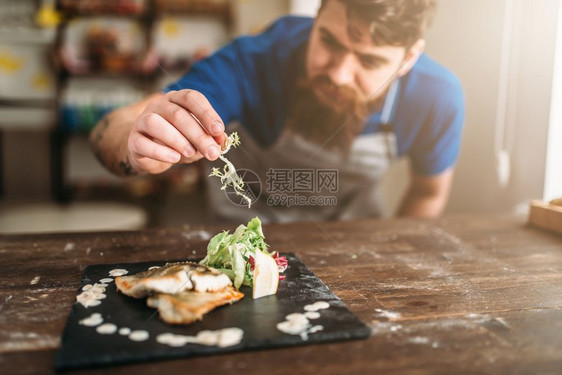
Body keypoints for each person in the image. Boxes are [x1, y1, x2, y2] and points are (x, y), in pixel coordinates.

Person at [90, 0, 464, 223]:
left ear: (408, 58)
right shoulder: (255, 61)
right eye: (328, 41)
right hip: (237, 241)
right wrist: (136, 144)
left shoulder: (436, 98)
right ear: (316, 17)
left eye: (368, 60)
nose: (338, 74)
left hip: (352, 248)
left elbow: (429, 192)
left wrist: (391, 262)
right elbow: (110, 127)